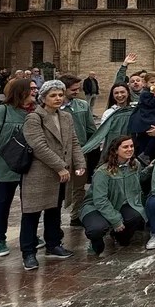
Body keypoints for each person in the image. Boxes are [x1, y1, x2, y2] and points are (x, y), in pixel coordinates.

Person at [20, 80, 85, 270]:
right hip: (39, 173)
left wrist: (80, 163)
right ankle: (29, 252)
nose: (57, 99)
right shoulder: (34, 118)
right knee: (31, 213)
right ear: (44, 98)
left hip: (60, 173)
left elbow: (73, 141)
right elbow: (39, 146)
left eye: (60, 95)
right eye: (53, 95)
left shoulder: (65, 117)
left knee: (54, 210)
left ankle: (53, 244)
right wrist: (60, 166)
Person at [0, 78, 37, 257]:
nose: (35, 91)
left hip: (30, 167)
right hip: (5, 166)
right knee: (3, 202)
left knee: (31, 205)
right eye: (31, 89)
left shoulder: (36, 112)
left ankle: (30, 237)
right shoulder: (2, 111)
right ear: (21, 92)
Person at [81, 135, 146, 256]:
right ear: (116, 150)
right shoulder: (103, 172)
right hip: (96, 207)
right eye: (125, 147)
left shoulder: (135, 165)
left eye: (131, 146)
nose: (130, 149)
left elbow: (139, 179)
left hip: (120, 203)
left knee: (136, 216)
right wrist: (115, 220)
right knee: (97, 229)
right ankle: (96, 241)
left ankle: (119, 236)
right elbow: (100, 200)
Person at [59, 74, 97, 223]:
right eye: (73, 89)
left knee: (79, 186)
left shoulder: (82, 105)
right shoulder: (54, 106)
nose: (77, 92)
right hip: (59, 153)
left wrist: (89, 147)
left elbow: (91, 129)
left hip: (80, 152)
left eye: (78, 89)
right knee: (58, 188)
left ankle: (76, 215)